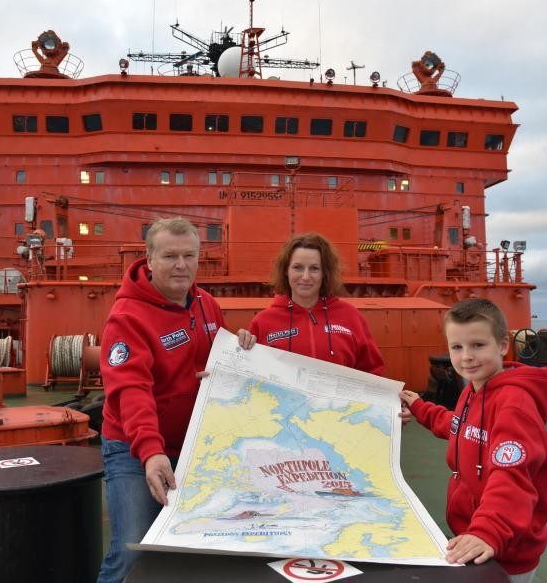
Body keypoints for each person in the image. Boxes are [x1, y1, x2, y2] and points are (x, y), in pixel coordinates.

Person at [97, 217, 255, 583]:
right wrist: (151, 452)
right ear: (149, 260)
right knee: (131, 549)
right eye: (170, 256)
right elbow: (130, 390)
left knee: (195, 547)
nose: (181, 265)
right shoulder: (127, 317)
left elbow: (216, 358)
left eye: (189, 255)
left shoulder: (206, 304)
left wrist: (241, 349)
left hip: (193, 446)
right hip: (134, 448)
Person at [399, 298, 547, 582]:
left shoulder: (514, 404)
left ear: (503, 346)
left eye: (478, 345)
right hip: (473, 534)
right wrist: (422, 408)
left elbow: (512, 476)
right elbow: (462, 428)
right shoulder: (473, 390)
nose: (466, 356)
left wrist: (488, 531)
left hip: (504, 549)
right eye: (456, 347)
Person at [249, 232, 384, 374]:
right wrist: (240, 345)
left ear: (324, 273)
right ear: (286, 271)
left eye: (314, 268)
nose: (306, 277)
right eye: (298, 267)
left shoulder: (351, 317)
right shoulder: (263, 322)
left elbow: (373, 372)